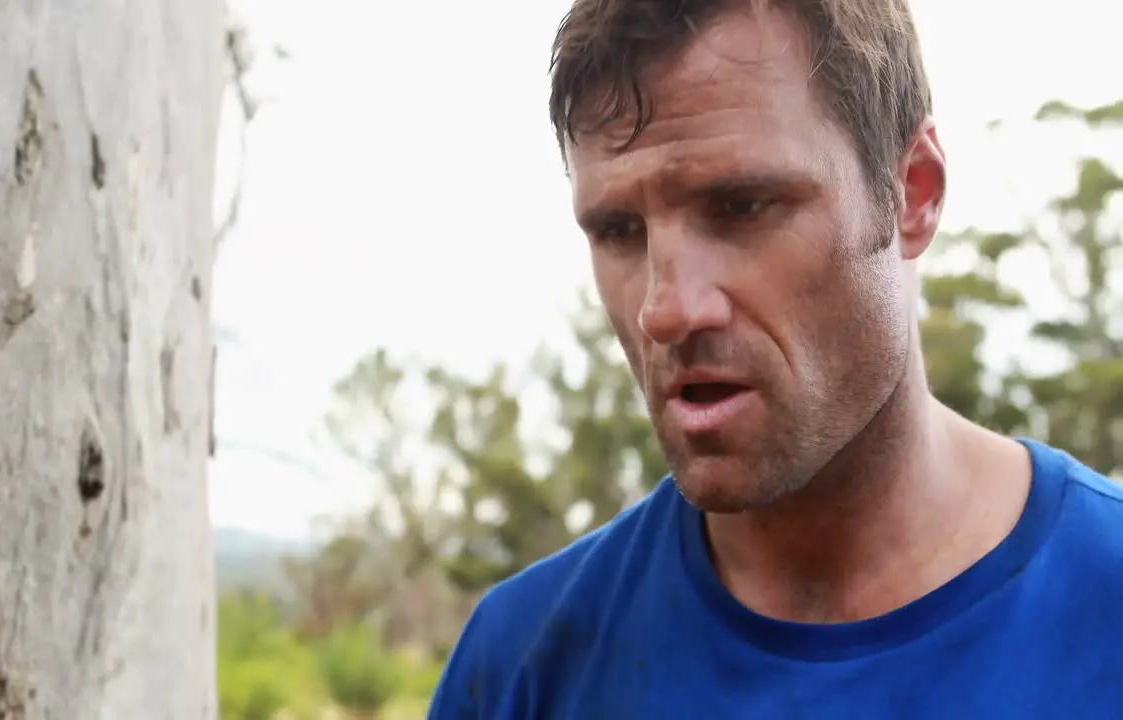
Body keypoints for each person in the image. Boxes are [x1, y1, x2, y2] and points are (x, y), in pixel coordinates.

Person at [428, 0, 1123, 717]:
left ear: (912, 192)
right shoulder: (523, 665)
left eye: (741, 206)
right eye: (618, 230)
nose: (665, 310)